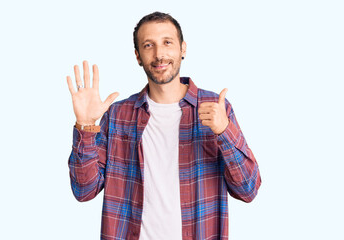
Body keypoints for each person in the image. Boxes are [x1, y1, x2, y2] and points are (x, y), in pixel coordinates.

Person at [66, 11, 261, 240]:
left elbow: (248, 190)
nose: (159, 54)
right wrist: (86, 126)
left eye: (167, 42)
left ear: (183, 49)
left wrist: (224, 131)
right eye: (149, 45)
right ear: (138, 56)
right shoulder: (118, 115)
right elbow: (84, 191)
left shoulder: (216, 109)